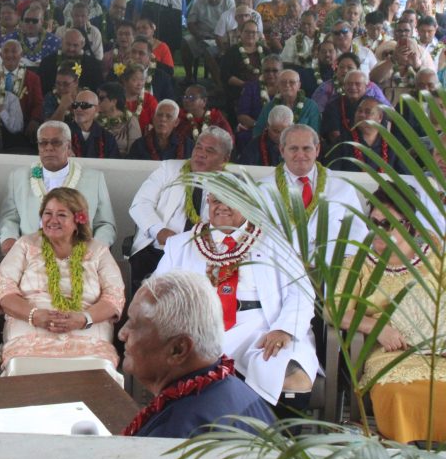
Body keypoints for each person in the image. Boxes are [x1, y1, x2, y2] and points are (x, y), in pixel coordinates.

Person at [157, 188, 319, 405]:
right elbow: (157, 292)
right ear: (208, 203)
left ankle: (277, 437)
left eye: (231, 200)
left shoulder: (274, 241)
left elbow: (301, 292)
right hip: (199, 329)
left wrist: (284, 328)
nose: (222, 206)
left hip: (261, 326)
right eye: (216, 200)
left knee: (293, 380)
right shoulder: (180, 244)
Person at [338, 186, 446, 443]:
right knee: (398, 392)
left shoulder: (436, 253)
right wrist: (378, 329)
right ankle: (403, 453)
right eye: (373, 222)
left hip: (439, 348)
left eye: (387, 224)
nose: (378, 230)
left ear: (410, 225)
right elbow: (335, 310)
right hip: (391, 353)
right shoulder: (358, 261)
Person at [119, 270, 276, 437]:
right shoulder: (235, 389)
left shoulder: (176, 433)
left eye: (135, 324)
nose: (122, 333)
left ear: (178, 349)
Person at [0, 187, 125, 377]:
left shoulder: (98, 251)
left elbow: (114, 298)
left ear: (78, 220)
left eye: (61, 215)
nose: (52, 220)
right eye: (48, 213)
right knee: (23, 367)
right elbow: (3, 290)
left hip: (87, 331)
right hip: (31, 328)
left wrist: (83, 319)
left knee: (97, 372)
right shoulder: (25, 244)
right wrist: (35, 315)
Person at [128, 127, 233, 288]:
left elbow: (231, 225)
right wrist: (160, 231)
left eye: (210, 151)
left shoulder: (230, 186)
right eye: (198, 147)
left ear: (224, 159)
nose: (201, 153)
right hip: (157, 249)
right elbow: (140, 203)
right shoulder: (168, 169)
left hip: (204, 255)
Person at [0, 121, 117, 253]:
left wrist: (96, 248)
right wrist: (8, 238)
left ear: (68, 146)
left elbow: (105, 224)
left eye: (56, 142)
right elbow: (9, 218)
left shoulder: (94, 179)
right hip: (30, 253)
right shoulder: (18, 177)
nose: (49, 147)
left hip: (79, 254)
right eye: (43, 143)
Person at [259, 124, 366, 257]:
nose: (300, 154)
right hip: (281, 272)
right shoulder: (262, 190)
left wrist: (342, 268)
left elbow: (358, 234)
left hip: (330, 271)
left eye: (306, 148)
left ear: (317, 149)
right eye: (293, 148)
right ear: (282, 150)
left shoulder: (342, 186)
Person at [128, 99, 194, 161]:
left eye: (168, 116)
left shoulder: (187, 146)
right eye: (159, 115)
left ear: (176, 122)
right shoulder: (139, 145)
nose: (163, 119)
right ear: (153, 119)